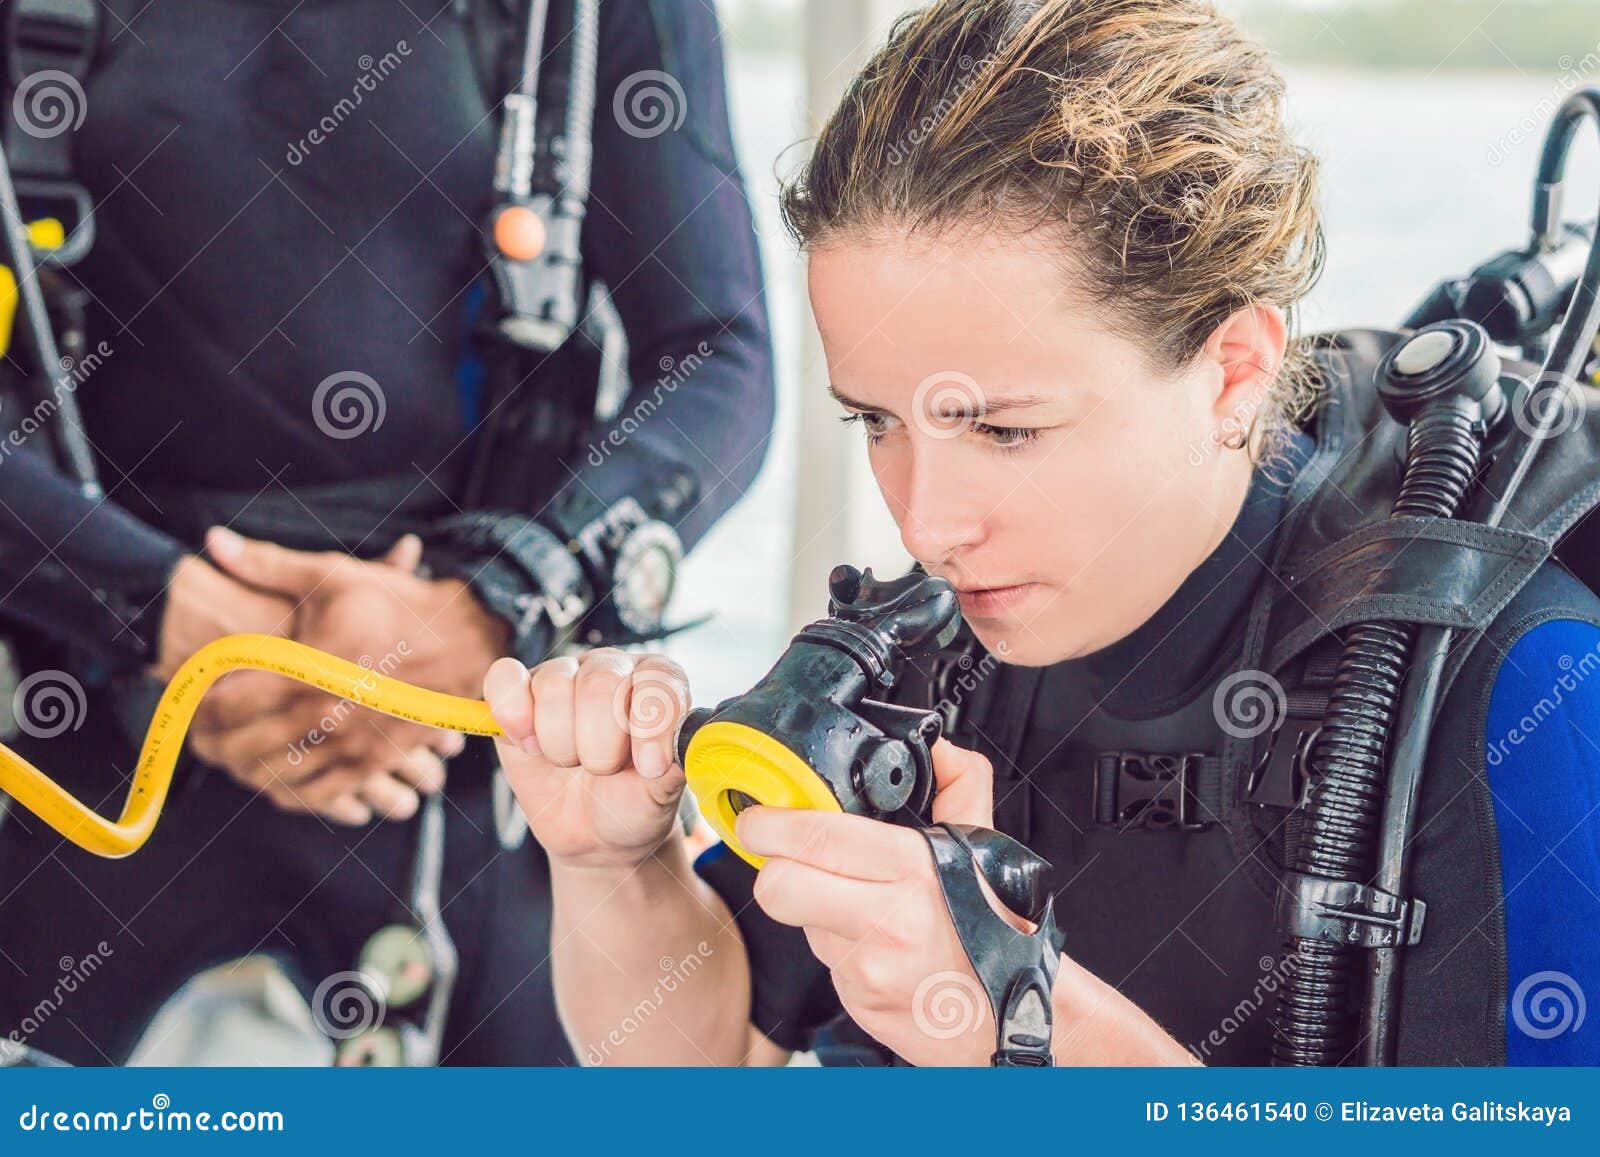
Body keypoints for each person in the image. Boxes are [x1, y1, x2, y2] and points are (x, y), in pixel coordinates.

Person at [478, 0, 1600, 1066]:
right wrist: (616, 864)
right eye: (875, 420)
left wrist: (1023, 1027)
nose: (924, 522)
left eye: (1006, 429)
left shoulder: (1520, 687)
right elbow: (709, 1050)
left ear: (1232, 372)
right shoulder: (926, 657)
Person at [0, 0, 772, 1065]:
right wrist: (158, 607)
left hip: (466, 737)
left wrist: (492, 604)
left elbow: (717, 357)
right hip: (86, 716)